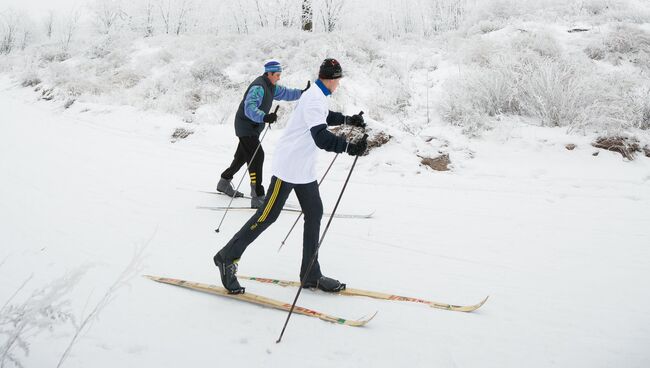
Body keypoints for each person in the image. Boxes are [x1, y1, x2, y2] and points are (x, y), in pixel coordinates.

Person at [214, 58, 367, 294]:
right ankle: (227, 256)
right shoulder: (315, 97)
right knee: (267, 216)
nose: (339, 84)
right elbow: (321, 137)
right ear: (332, 79)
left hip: (303, 170)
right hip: (288, 167)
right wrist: (347, 147)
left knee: (314, 212)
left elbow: (324, 116)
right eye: (338, 80)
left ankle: (310, 275)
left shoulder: (315, 93)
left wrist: (347, 119)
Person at [216, 60, 308, 208]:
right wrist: (264, 117)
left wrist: (302, 93)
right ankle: (257, 195)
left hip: (253, 127)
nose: (279, 78)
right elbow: (249, 107)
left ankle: (224, 181)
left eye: (279, 75)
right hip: (246, 127)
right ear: (269, 73)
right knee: (257, 156)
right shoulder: (259, 87)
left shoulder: (271, 86)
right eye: (277, 75)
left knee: (242, 156)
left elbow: (285, 93)